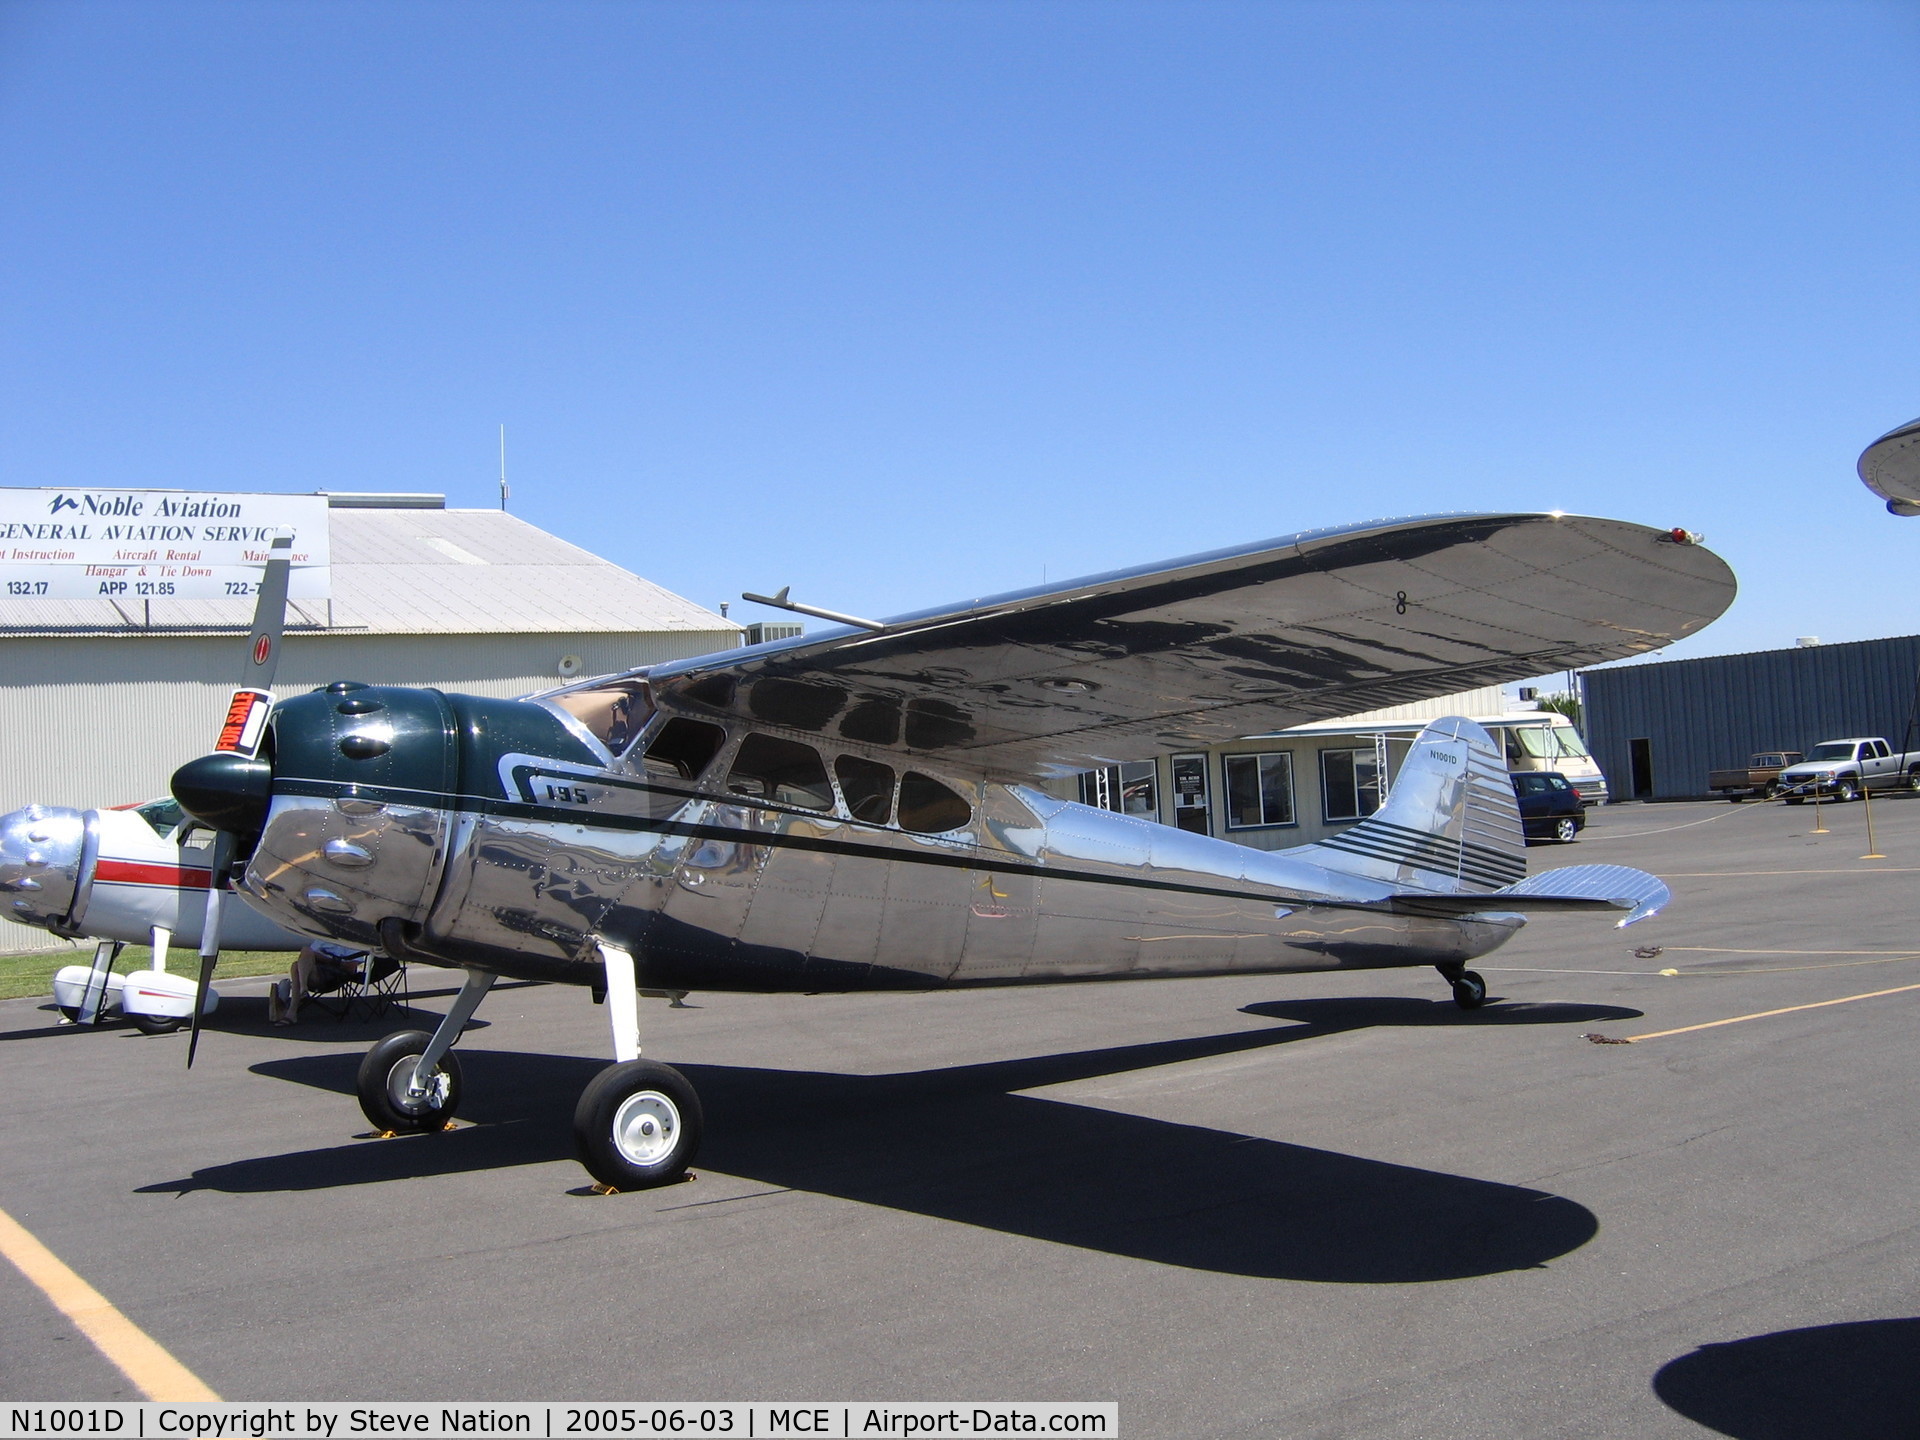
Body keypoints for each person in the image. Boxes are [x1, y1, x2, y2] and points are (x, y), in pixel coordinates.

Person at [268, 940, 369, 1025]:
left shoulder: (351, 943)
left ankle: (293, 1010)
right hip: (315, 974)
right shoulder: (323, 939)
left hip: (334, 978)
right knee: (300, 959)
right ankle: (302, 990)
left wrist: (327, 959)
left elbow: (350, 968)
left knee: (299, 962)